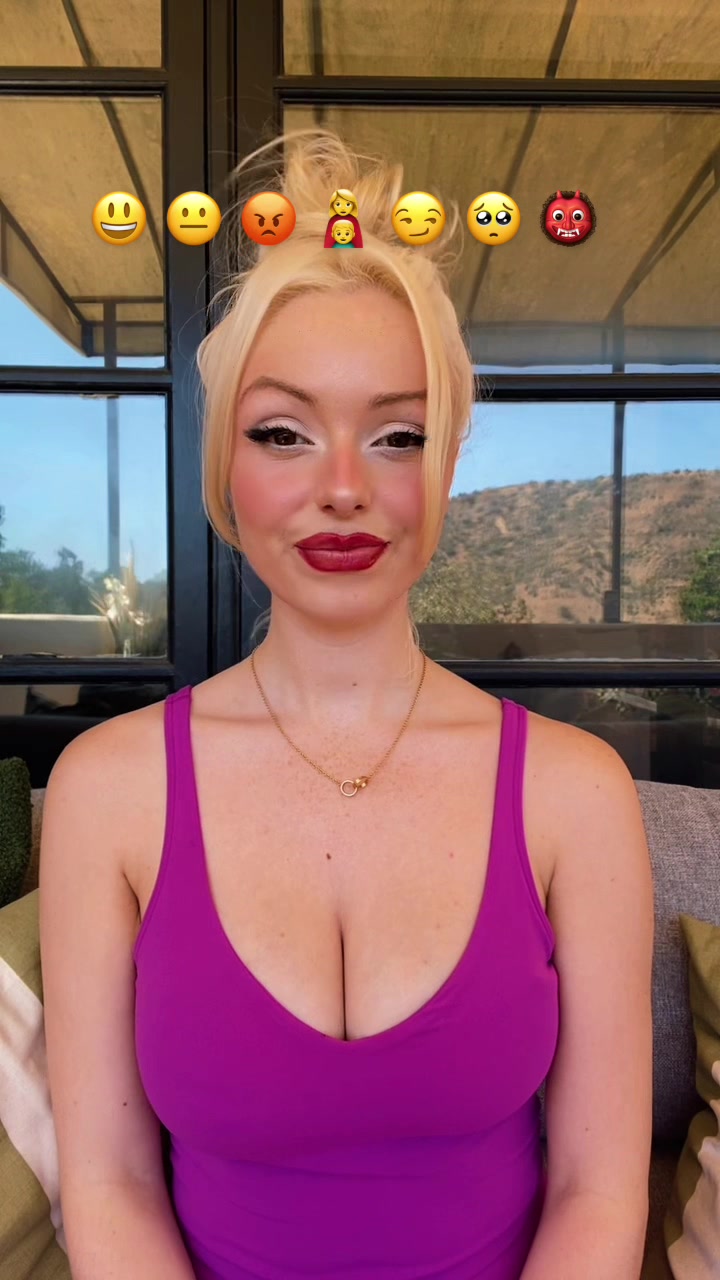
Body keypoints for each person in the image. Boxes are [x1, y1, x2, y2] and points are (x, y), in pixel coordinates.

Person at [39, 128, 654, 1280]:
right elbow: (110, 1182)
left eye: (397, 435)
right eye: (283, 431)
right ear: (226, 464)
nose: (341, 487)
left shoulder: (577, 793)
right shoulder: (106, 791)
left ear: (447, 465)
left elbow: (599, 1187)